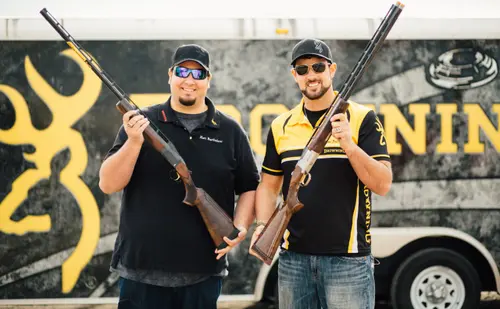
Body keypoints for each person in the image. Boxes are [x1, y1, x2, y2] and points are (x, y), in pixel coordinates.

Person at [99, 44, 259, 309]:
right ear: (170, 75)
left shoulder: (230, 130)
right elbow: (108, 184)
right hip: (141, 271)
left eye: (198, 74)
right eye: (183, 71)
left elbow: (250, 186)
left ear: (208, 80)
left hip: (203, 273)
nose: (189, 80)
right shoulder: (141, 122)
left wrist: (239, 227)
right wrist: (134, 141)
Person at [249, 38, 393, 309]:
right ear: (294, 75)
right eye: (302, 70)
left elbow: (383, 184)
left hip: (348, 262)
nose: (311, 75)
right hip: (294, 262)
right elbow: (268, 186)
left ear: (332, 69)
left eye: (318, 67)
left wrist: (349, 145)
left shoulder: (362, 118)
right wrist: (262, 226)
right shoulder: (281, 125)